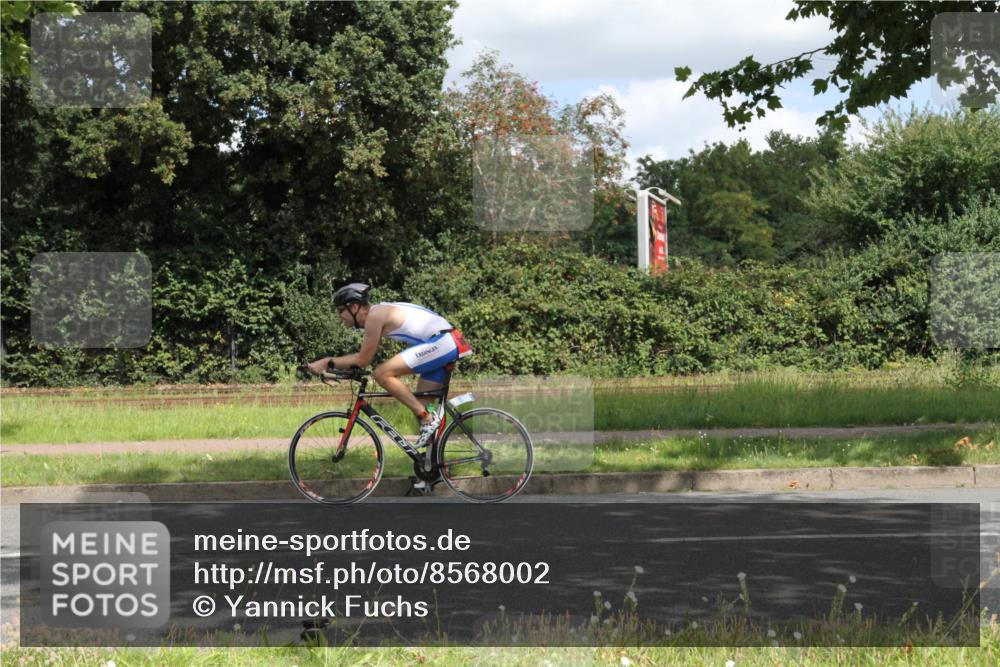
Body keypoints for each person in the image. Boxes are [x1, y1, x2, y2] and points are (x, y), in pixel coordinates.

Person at [306, 283, 471, 448]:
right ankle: (434, 469)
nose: (338, 315)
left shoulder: (374, 316)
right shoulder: (378, 312)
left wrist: (327, 362)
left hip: (442, 342)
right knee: (422, 404)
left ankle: (427, 418)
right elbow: (364, 356)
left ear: (354, 307)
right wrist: (346, 366)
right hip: (443, 343)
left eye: (340, 310)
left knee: (382, 374)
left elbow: (364, 359)